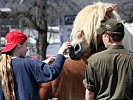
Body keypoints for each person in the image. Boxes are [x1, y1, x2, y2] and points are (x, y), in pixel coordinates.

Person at [0, 30, 72, 100]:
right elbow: (52, 72)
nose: (27, 49)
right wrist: (61, 52)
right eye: (26, 45)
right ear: (18, 45)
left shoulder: (3, 66)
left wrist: (43, 63)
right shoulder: (27, 64)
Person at [83, 18, 133, 100]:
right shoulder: (131, 59)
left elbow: (89, 93)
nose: (102, 38)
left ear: (108, 37)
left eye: (103, 36)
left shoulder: (93, 60)